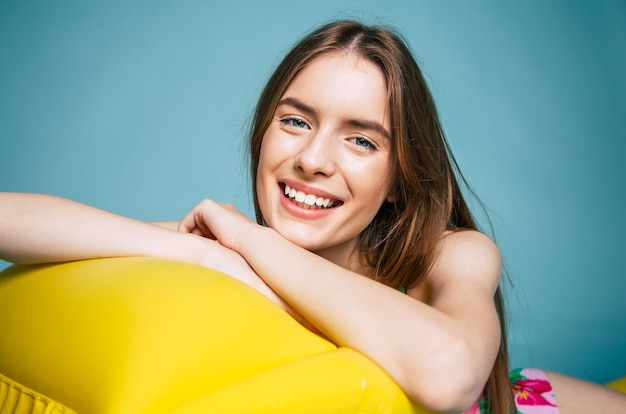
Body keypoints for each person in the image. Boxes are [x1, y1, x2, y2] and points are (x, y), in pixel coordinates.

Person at [0, 20, 624, 414]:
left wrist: (245, 239)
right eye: (295, 121)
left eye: (361, 140)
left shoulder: (450, 252)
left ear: (399, 176)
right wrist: (191, 248)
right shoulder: (222, 247)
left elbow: (447, 376)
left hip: (527, 400)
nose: (312, 160)